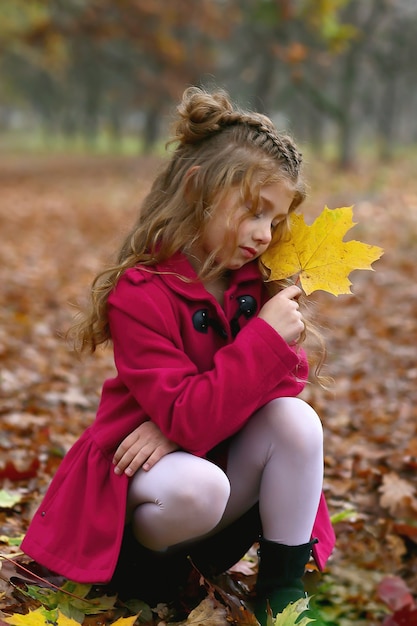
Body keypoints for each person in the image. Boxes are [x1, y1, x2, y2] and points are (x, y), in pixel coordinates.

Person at [22, 87, 335, 624]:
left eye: (275, 221)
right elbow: (192, 411)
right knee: (199, 486)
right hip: (146, 505)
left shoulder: (252, 285)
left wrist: (179, 426)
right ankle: (149, 584)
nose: (264, 235)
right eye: (253, 212)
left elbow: (282, 391)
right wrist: (257, 343)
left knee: (296, 420)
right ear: (198, 189)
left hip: (214, 487)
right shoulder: (142, 293)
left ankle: (283, 596)